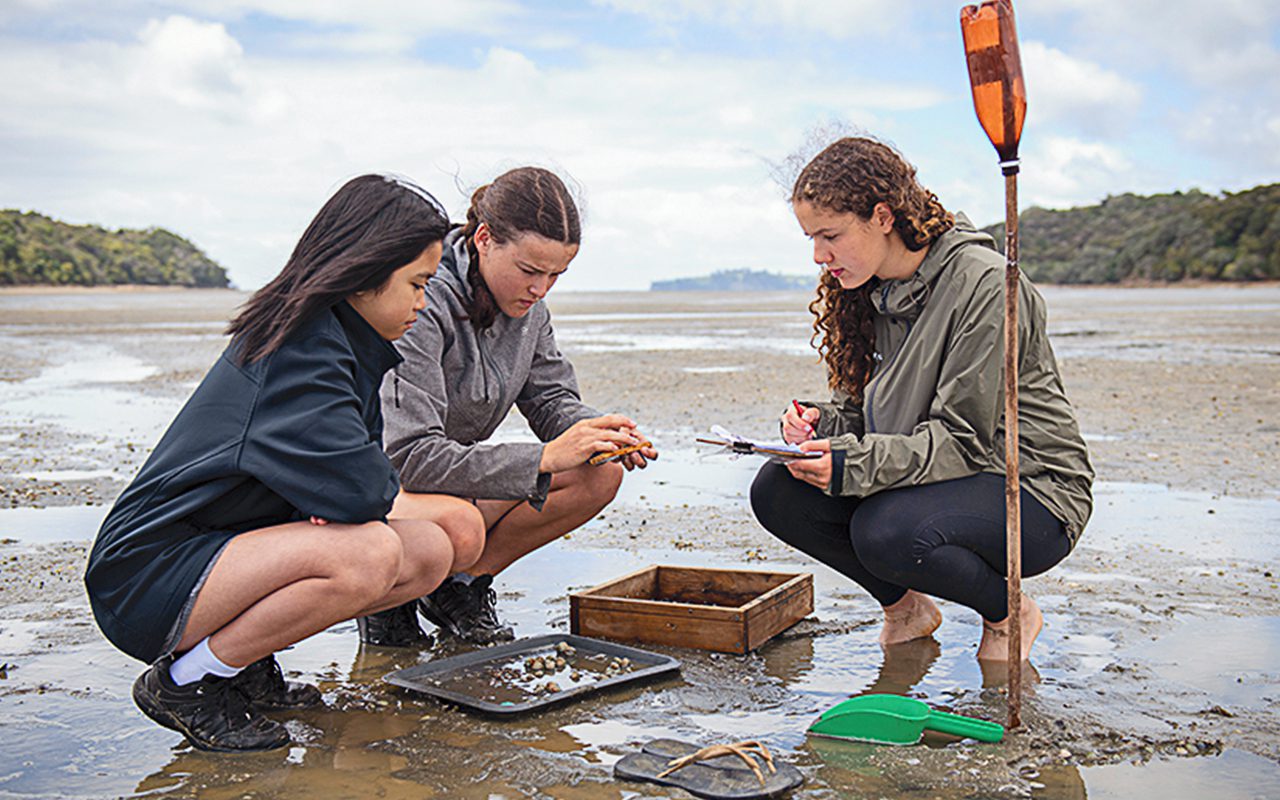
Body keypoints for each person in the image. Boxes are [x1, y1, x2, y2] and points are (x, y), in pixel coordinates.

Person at [84, 174, 456, 752]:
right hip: (147, 573)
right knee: (372, 551)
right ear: (364, 273)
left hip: (216, 551)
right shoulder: (303, 349)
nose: (422, 302)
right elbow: (365, 491)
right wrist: (336, 501)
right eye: (417, 283)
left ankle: (245, 664)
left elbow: (357, 481)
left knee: (429, 550)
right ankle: (189, 681)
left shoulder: (344, 341)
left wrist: (336, 498)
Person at [750, 137, 1093, 662]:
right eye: (811, 238)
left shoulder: (985, 285)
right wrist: (820, 426)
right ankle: (907, 609)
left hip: (1031, 488)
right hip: (939, 475)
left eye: (830, 235)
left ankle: (1009, 614)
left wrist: (848, 463)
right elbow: (869, 416)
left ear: (882, 216)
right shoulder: (863, 287)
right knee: (777, 490)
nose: (819, 255)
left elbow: (962, 441)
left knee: (885, 531)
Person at [359, 166, 658, 646]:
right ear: (484, 239)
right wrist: (543, 458)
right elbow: (408, 456)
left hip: (449, 475)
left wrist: (598, 433)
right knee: (455, 527)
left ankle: (461, 585)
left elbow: (551, 399)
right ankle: (391, 599)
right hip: (383, 483)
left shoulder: (530, 308)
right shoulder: (418, 301)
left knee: (600, 472)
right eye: (529, 271)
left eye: (556, 275)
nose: (541, 289)